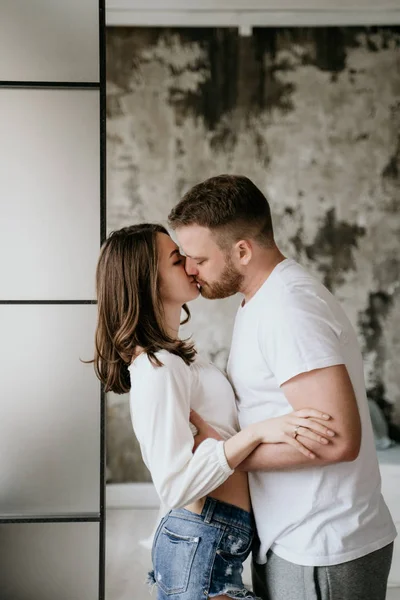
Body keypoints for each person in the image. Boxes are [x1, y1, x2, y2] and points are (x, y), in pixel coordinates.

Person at [168, 174, 397, 600]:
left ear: (242, 250)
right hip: (294, 539)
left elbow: (339, 440)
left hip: (322, 547)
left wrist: (223, 459)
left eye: (199, 258)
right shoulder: (261, 300)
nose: (191, 269)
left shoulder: (288, 308)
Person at [91, 223, 336, 600]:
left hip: (212, 539)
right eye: (177, 260)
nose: (191, 265)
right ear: (147, 281)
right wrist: (254, 435)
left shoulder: (178, 358)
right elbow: (173, 486)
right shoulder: (158, 369)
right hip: (201, 542)